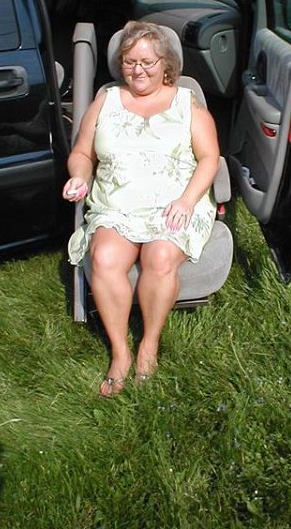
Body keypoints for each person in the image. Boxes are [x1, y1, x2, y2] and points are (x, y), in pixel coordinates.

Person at [63, 20, 220, 397]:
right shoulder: (106, 99)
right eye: (130, 62)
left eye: (147, 62)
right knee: (104, 257)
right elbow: (82, 152)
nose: (138, 70)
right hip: (117, 203)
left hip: (175, 202)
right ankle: (121, 353)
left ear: (167, 65)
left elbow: (209, 158)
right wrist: (80, 177)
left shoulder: (187, 102)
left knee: (160, 256)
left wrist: (187, 200)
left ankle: (149, 344)